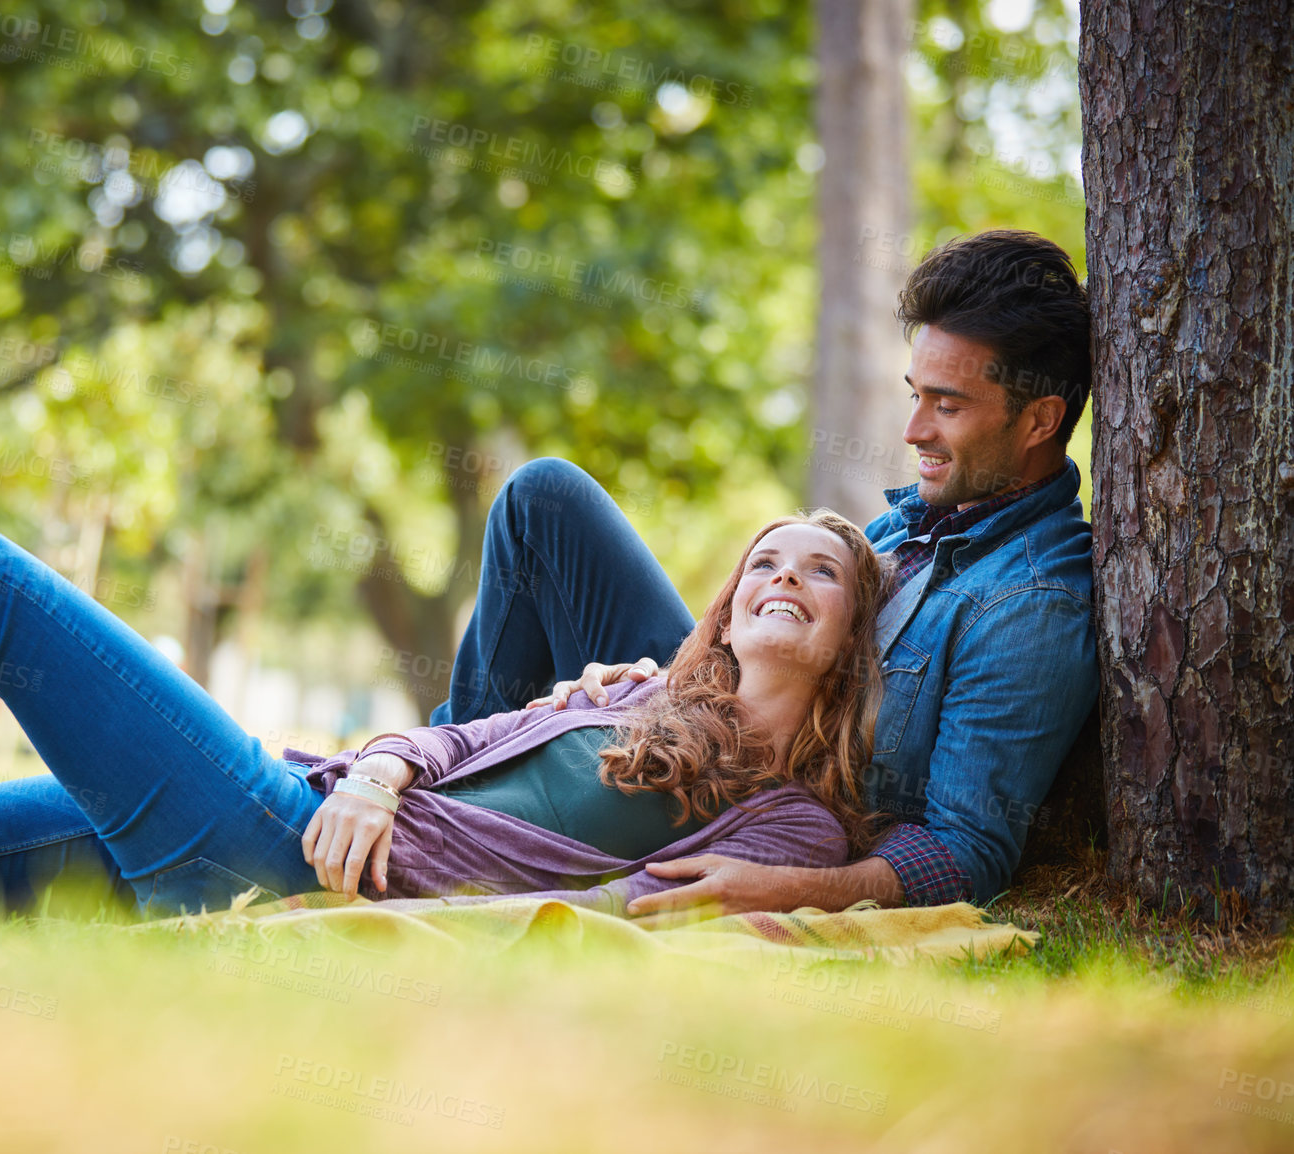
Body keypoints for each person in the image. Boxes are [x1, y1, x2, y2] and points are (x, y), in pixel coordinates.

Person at [0, 511, 888, 920]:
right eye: (763, 560)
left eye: (820, 570)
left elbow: (916, 860)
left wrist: (828, 886)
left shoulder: (784, 811)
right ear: (725, 601)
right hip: (316, 804)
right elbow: (445, 738)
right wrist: (378, 766)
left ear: (849, 638)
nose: (781, 577)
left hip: (284, 849)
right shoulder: (633, 695)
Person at [431, 229, 1099, 916]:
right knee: (544, 501)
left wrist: (789, 886)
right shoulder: (917, 521)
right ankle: (435, 787)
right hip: (720, 723)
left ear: (1039, 421)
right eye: (915, 396)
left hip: (759, 805)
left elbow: (968, 851)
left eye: (947, 405)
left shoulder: (1032, 605)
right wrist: (644, 681)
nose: (914, 430)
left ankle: (436, 830)